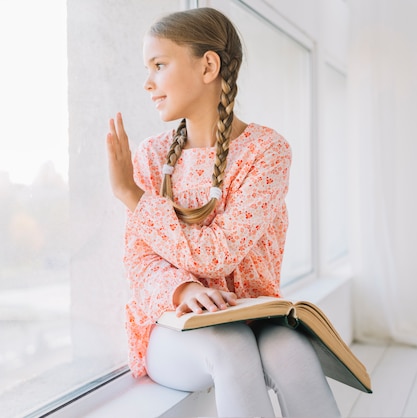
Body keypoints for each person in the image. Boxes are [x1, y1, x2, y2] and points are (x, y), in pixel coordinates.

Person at [105, 7, 341, 418]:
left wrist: (132, 195)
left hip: (250, 317)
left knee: (295, 353)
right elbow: (140, 263)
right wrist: (184, 290)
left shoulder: (266, 151)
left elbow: (220, 252)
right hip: (172, 327)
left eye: (159, 65)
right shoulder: (150, 155)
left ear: (208, 65)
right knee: (230, 347)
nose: (148, 83)